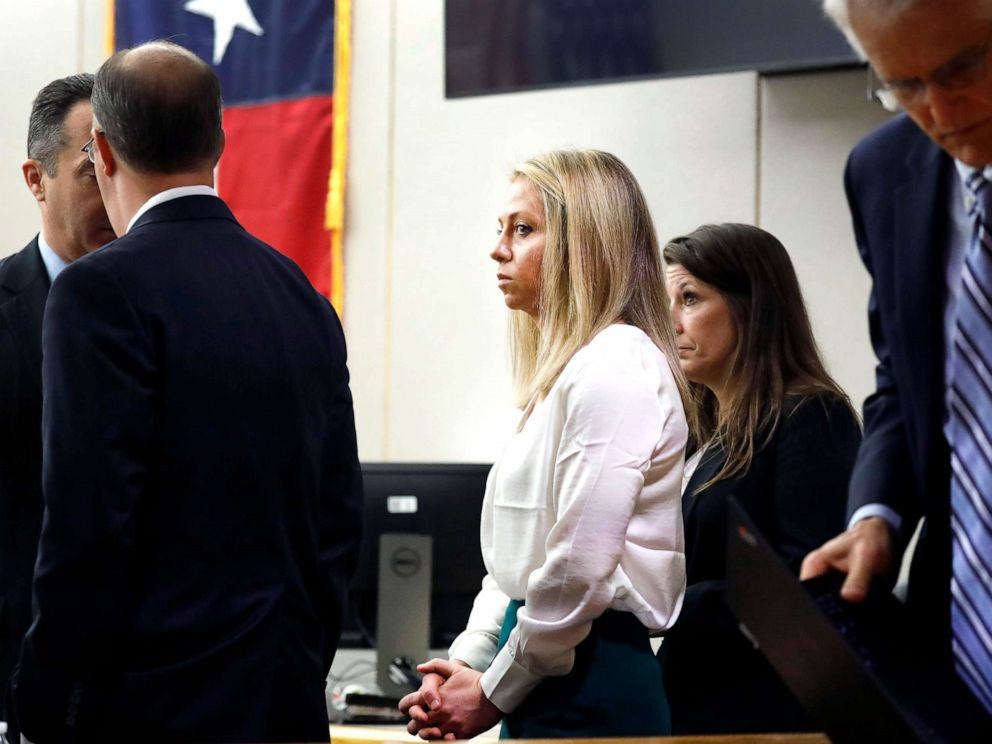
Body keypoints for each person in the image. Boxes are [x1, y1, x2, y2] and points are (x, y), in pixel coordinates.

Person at [7, 41, 363, 743]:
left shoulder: (97, 291)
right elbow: (338, 520)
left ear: (102, 152)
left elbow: (90, 528)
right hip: (282, 704)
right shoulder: (300, 293)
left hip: (150, 713)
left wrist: (45, 709)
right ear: (220, 140)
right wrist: (291, 665)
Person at [400, 149, 691, 740]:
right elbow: (518, 565)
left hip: (592, 678)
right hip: (545, 666)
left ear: (584, 245)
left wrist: (493, 690)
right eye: (501, 229)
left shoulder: (617, 365)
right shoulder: (569, 373)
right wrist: (469, 663)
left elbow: (577, 571)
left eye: (523, 230)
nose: (498, 249)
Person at [802, 0, 992, 729]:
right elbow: (902, 385)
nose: (941, 109)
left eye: (963, 68)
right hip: (954, 639)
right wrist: (876, 511)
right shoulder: (880, 172)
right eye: (902, 84)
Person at [659, 223, 862, 734]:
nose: (671, 322)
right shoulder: (700, 434)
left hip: (763, 711)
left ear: (753, 307)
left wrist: (659, 602)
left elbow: (809, 582)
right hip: (692, 699)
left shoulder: (813, 416)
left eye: (689, 298)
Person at [0, 73, 114, 739]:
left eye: (123, 166)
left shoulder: (173, 315)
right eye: (91, 169)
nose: (115, 190)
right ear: (36, 179)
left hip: (149, 690)